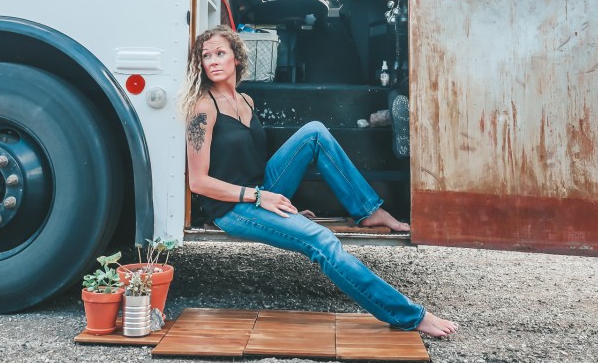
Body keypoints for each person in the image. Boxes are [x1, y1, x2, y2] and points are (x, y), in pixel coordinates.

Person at [179, 25, 458, 338]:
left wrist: (277, 200)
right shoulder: (203, 109)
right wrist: (260, 199)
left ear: (236, 59)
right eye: (206, 56)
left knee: (315, 132)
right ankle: (408, 314)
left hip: (261, 191)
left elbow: (253, 166)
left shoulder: (246, 101)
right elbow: (199, 183)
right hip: (231, 207)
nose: (213, 61)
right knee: (322, 241)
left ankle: (368, 210)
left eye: (220, 53)